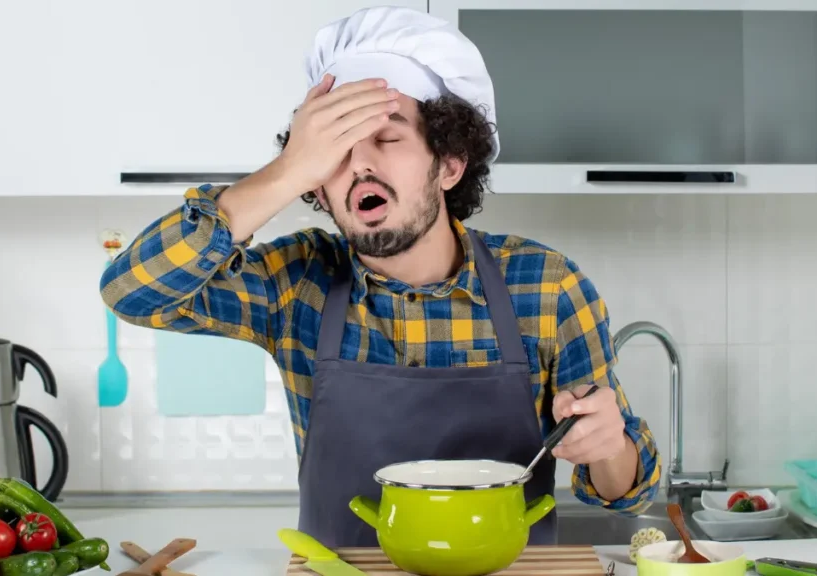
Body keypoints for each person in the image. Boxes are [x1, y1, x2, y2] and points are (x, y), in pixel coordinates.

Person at [100, 5, 661, 547]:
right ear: (318, 189)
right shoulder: (297, 284)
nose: (360, 163)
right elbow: (131, 291)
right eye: (334, 152)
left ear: (449, 165)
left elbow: (625, 494)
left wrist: (608, 443)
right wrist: (286, 171)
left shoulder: (546, 287)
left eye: (388, 138)